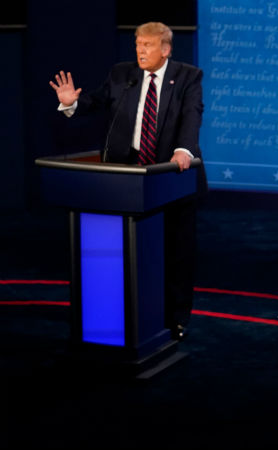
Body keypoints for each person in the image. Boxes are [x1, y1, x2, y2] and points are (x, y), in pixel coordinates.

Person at [49, 22, 205, 341]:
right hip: (128, 179)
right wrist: (71, 103)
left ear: (166, 49)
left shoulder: (188, 76)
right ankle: (132, 312)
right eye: (137, 44)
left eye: (147, 45)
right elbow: (95, 101)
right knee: (130, 251)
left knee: (176, 250)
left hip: (171, 176)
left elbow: (192, 114)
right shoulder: (123, 74)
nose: (140, 50)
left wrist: (183, 149)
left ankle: (176, 319)